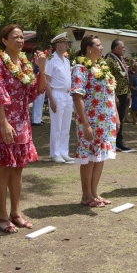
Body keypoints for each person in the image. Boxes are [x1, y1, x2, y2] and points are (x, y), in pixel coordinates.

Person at [0, 24, 46, 233]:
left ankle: (16, 213)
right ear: (4, 40)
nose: (19, 40)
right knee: (5, 167)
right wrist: (4, 122)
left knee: (18, 168)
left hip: (22, 121)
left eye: (21, 37)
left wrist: (42, 68)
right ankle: (1, 216)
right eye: (14, 37)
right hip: (4, 121)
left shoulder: (24, 62)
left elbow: (37, 90)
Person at [71, 34, 119, 207]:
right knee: (89, 157)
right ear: (89, 49)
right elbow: (77, 96)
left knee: (99, 157)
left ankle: (94, 193)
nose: (101, 47)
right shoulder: (80, 68)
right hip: (91, 120)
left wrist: (116, 116)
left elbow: (110, 93)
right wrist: (85, 123)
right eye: (98, 45)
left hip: (105, 120)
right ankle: (86, 195)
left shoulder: (102, 66)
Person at [45, 32, 74, 164]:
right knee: (57, 125)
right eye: (65, 43)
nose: (67, 45)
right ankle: (55, 153)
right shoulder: (51, 59)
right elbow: (47, 81)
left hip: (67, 94)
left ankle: (64, 152)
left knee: (66, 125)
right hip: (57, 93)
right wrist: (51, 99)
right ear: (58, 45)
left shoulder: (67, 60)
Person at [105, 39, 132, 152]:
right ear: (115, 48)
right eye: (122, 47)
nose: (124, 49)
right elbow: (107, 78)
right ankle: (114, 141)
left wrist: (128, 93)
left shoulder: (121, 59)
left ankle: (119, 141)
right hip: (115, 94)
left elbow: (125, 77)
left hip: (123, 93)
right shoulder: (109, 60)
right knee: (115, 119)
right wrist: (114, 95)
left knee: (120, 118)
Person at [31, 46, 46, 126]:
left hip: (42, 81)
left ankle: (39, 118)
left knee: (41, 101)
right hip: (36, 81)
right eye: (37, 52)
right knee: (37, 101)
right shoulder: (33, 61)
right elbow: (34, 70)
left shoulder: (41, 60)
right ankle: (35, 120)